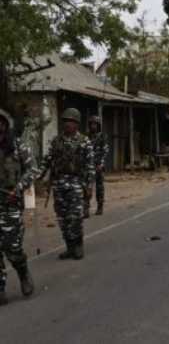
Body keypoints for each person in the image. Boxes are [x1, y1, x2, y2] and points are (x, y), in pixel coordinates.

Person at [38, 108, 94, 260]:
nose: (67, 124)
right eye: (65, 121)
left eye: (71, 121)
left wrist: (89, 186)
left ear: (77, 124)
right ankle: (69, 247)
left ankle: (78, 245)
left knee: (75, 217)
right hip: (59, 184)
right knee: (62, 218)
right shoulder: (56, 141)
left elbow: (90, 166)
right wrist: (38, 176)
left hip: (76, 183)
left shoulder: (84, 142)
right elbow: (47, 161)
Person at [0, 110, 36, 305]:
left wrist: (19, 188)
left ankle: (23, 273)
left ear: (6, 124)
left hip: (11, 203)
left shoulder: (19, 146)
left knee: (12, 248)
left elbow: (32, 170)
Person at [85, 115, 109, 217]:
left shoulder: (103, 136)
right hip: (88, 166)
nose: (93, 126)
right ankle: (85, 209)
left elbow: (105, 151)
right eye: (91, 124)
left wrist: (101, 164)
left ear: (98, 125)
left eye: (95, 124)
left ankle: (100, 207)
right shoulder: (86, 137)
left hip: (98, 165)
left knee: (99, 188)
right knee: (86, 187)